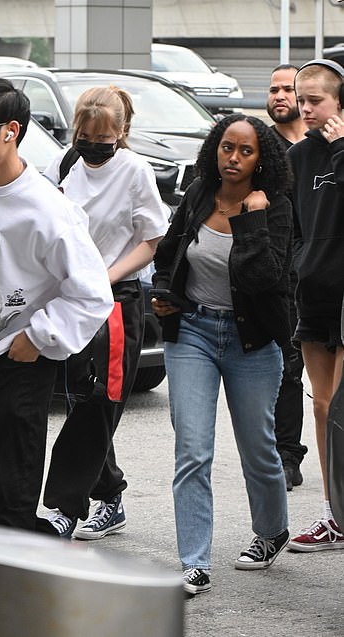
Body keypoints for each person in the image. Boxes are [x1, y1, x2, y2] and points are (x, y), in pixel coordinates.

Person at [0, 78, 114, 532]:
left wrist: (39, 337)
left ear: (9, 131)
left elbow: (92, 293)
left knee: (8, 494)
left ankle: (9, 590)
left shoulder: (48, 208)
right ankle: (33, 550)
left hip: (20, 360)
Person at [152, 113, 292, 595]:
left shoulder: (273, 208)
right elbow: (168, 252)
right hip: (191, 332)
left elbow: (265, 280)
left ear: (261, 159)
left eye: (245, 151)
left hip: (251, 341)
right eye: (227, 147)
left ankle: (272, 531)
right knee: (193, 450)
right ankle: (195, 562)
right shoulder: (196, 195)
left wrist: (250, 220)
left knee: (259, 450)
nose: (233, 158)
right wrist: (165, 292)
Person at [40, 86, 168, 539]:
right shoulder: (64, 162)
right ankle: (110, 493)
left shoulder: (135, 170)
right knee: (78, 398)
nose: (92, 148)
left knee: (102, 401)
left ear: (122, 133)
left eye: (103, 140)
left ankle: (64, 506)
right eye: (85, 138)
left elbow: (152, 240)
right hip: (69, 297)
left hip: (117, 299)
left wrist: (107, 275)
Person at [286, 59, 344, 551]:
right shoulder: (298, 157)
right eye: (301, 100)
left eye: (315, 100)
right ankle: (332, 514)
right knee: (323, 406)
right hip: (315, 296)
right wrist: (299, 265)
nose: (305, 109)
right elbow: (293, 227)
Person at [266, 63, 309, 491]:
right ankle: (286, 454)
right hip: (284, 275)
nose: (279, 96)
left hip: (322, 268)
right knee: (288, 368)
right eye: (273, 89)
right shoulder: (265, 149)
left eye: (287, 89)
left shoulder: (320, 146)